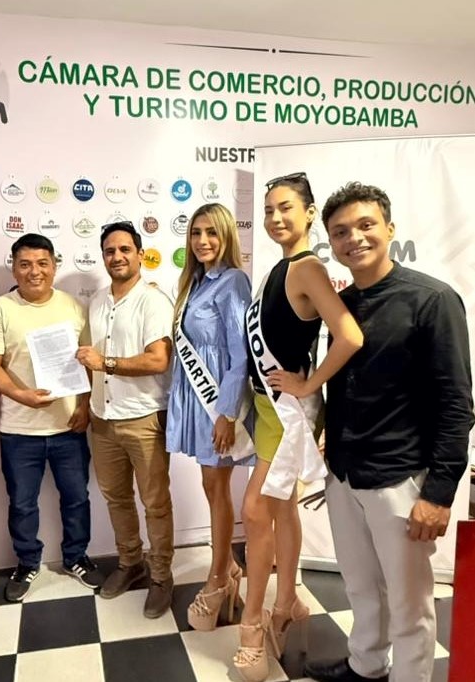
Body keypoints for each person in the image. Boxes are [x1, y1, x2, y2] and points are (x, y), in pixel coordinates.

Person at [304, 182, 473, 682]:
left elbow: (456, 404)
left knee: (410, 604)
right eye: (340, 232)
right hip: (344, 474)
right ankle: (366, 666)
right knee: (360, 587)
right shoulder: (340, 304)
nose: (353, 238)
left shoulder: (432, 300)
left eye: (365, 225)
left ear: (390, 228)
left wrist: (439, 494)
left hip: (402, 479)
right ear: (331, 242)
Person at [235, 173, 363, 682]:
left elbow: (349, 335)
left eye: (285, 207)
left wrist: (309, 385)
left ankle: (253, 622)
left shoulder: (308, 267)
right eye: (268, 209)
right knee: (282, 507)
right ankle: (287, 600)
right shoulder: (281, 267)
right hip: (269, 408)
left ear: (310, 213)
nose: (275, 217)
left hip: (286, 413)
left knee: (255, 509)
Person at [0, 233, 101, 602]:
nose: (35, 271)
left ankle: (76, 557)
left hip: (68, 428)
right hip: (19, 430)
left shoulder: (72, 306)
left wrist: (84, 406)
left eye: (42, 263)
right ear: (14, 268)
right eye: (26, 264)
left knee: (76, 498)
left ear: (54, 266)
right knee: (22, 503)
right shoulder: (0, 309)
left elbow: (88, 360)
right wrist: (20, 395)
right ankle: (27, 562)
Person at [76, 221, 175, 618]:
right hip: (103, 419)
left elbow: (158, 360)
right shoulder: (98, 301)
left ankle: (161, 575)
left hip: (144, 418)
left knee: (155, 503)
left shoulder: (154, 301)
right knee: (116, 498)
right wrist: (86, 402)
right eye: (109, 251)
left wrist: (107, 363)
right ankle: (130, 563)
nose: (116, 257)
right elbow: (89, 360)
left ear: (139, 254)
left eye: (124, 249)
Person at [166, 203, 254, 631]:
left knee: (217, 488)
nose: (202, 241)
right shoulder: (194, 283)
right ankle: (228, 568)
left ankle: (219, 576)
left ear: (226, 236)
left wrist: (226, 413)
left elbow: (241, 355)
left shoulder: (234, 281)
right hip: (196, 399)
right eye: (196, 233)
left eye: (212, 232)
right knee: (210, 485)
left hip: (216, 401)